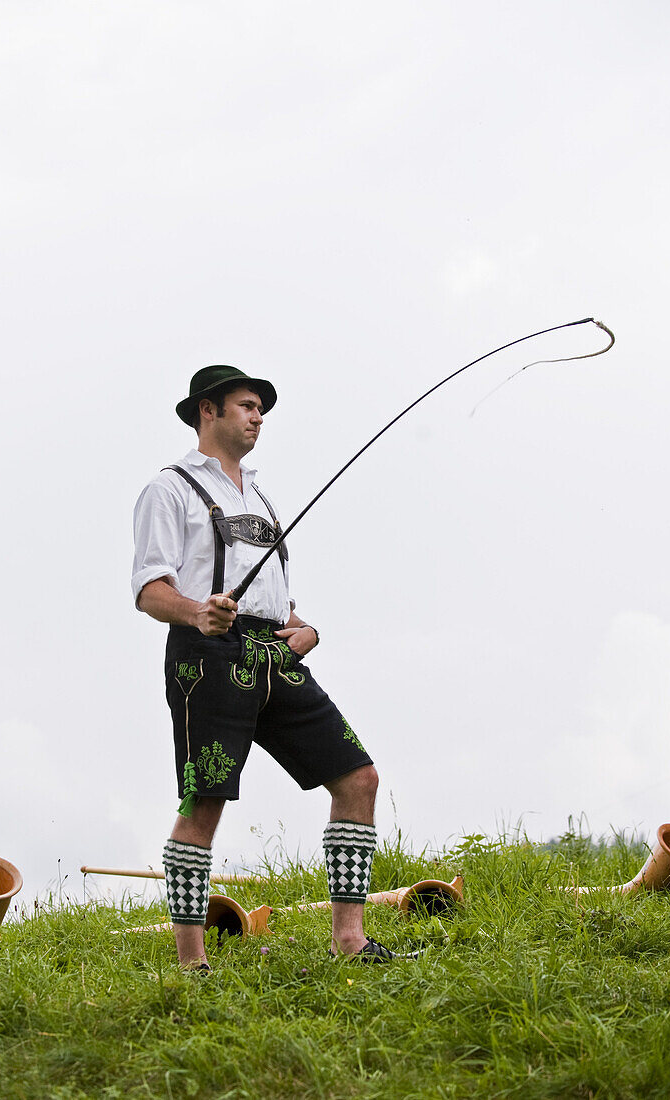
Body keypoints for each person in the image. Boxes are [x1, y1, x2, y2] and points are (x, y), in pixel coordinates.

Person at [132, 364, 405, 969]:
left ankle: (350, 939)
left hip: (274, 654)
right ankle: (190, 963)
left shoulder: (260, 497)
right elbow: (150, 590)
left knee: (358, 778)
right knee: (202, 802)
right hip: (207, 658)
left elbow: (276, 599)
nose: (259, 418)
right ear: (209, 410)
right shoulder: (169, 488)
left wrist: (304, 628)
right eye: (248, 406)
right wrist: (198, 613)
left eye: (261, 410)